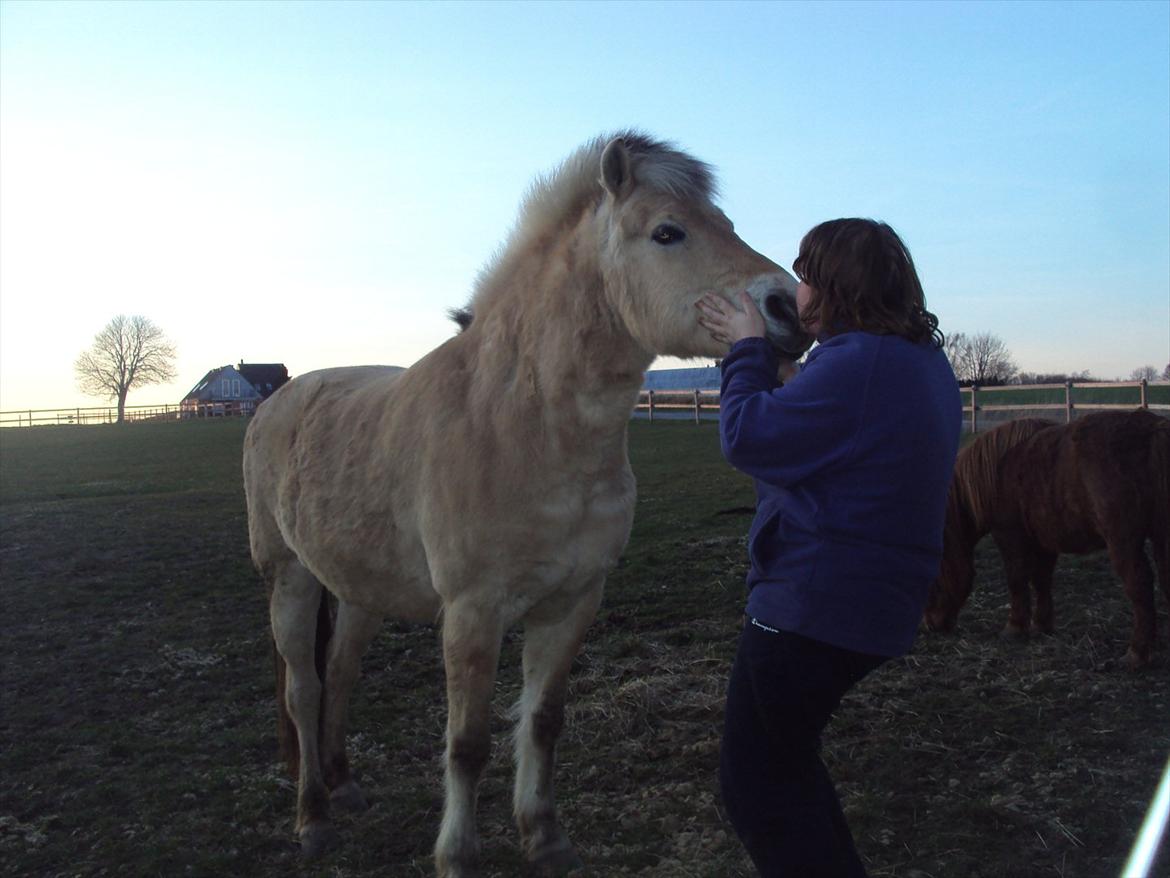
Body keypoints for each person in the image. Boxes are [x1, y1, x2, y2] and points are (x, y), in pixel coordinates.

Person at [695, 218, 961, 877]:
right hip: (869, 606)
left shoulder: (859, 364)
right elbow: (828, 441)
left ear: (839, 287)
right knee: (787, 769)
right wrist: (781, 371)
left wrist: (745, 350)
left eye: (807, 277)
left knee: (756, 784)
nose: (799, 292)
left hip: (811, 609)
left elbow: (746, 437)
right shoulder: (916, 361)